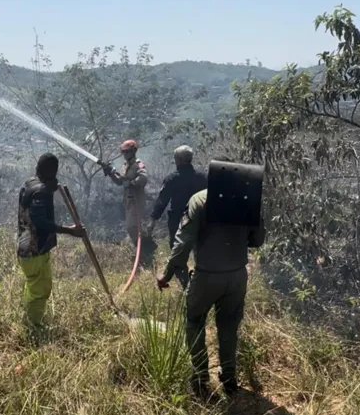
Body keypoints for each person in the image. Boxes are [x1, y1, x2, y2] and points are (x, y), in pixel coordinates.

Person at [156, 181, 265, 398]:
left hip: (206, 276)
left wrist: (166, 274)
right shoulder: (247, 199)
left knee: (194, 322)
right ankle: (229, 377)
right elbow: (258, 239)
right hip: (237, 277)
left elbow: (183, 242)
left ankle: (200, 377)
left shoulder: (199, 199)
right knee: (229, 325)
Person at [17, 152, 85, 325]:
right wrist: (70, 231)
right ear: (51, 170)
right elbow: (39, 222)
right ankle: (33, 325)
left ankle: (30, 318)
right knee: (40, 290)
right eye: (55, 170)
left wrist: (49, 188)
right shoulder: (41, 191)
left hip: (26, 248)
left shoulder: (30, 183)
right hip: (35, 250)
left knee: (34, 286)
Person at [147, 145, 207, 287]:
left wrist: (153, 220)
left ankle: (185, 283)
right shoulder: (203, 177)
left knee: (178, 252)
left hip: (178, 222)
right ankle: (200, 280)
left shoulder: (172, 179)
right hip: (201, 221)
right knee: (200, 251)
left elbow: (162, 201)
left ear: (179, 160)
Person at [101, 140, 155, 262]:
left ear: (133, 151)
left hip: (137, 200)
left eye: (127, 152)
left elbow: (143, 178)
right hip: (128, 201)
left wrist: (131, 183)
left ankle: (145, 251)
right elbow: (120, 182)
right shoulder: (125, 166)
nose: (124, 154)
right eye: (123, 152)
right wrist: (110, 173)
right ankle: (145, 250)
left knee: (131, 227)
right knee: (134, 228)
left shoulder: (138, 165)